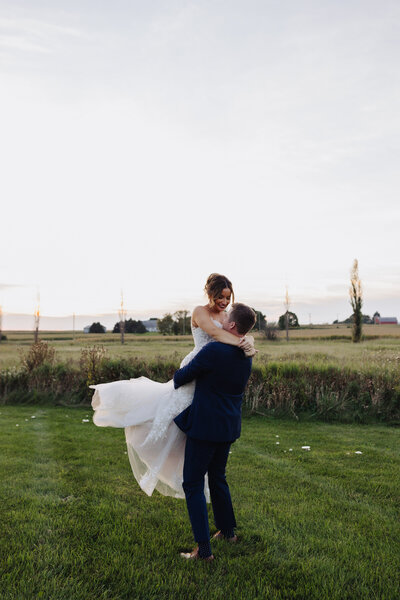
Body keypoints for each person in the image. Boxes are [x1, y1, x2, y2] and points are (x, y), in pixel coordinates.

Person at [91, 274, 256, 499]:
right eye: (220, 297)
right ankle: (167, 456)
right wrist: (244, 345)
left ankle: (194, 467)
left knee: (200, 418)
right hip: (198, 365)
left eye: (228, 298)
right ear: (210, 294)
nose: (225, 302)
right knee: (173, 414)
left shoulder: (227, 315)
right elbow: (218, 333)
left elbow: (237, 331)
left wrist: (250, 340)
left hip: (213, 369)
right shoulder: (200, 312)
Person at [173, 303, 256, 562]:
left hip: (205, 426)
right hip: (229, 425)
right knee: (218, 477)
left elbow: (181, 378)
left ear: (232, 326)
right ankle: (228, 532)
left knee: (193, 483)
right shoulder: (247, 353)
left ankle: (203, 551)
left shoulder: (213, 351)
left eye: (227, 318)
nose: (222, 321)